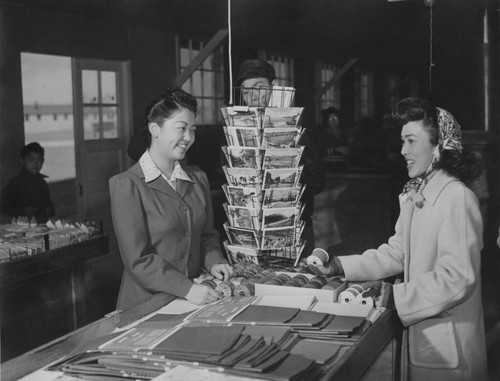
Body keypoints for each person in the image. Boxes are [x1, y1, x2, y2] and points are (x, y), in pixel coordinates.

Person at [308, 97, 486, 380]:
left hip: (452, 353)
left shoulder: (456, 197)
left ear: (438, 147)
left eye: (411, 141)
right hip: (423, 340)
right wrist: (341, 266)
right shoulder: (417, 193)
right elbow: (397, 253)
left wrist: (394, 296)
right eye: (402, 142)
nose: (403, 151)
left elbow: (458, 278)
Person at [109, 89, 233, 309]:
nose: (188, 138)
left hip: (194, 299)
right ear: (154, 129)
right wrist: (187, 289)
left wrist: (214, 262)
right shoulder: (127, 185)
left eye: (192, 130)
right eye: (181, 128)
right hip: (145, 305)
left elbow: (206, 236)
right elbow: (138, 260)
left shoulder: (198, 179)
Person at [235, 59, 325, 257]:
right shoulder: (235, 127)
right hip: (249, 232)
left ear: (274, 87)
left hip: (293, 227)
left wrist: (280, 186)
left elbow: (317, 180)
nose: (252, 96)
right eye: (245, 90)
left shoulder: (297, 125)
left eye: (259, 87)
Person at [1, 142, 55, 223]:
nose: (35, 163)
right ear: (22, 161)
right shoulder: (16, 182)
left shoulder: (42, 183)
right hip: (22, 225)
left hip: (41, 224)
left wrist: (49, 209)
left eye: (39, 160)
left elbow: (48, 203)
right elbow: (5, 206)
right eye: (31, 160)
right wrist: (23, 211)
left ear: (43, 161)